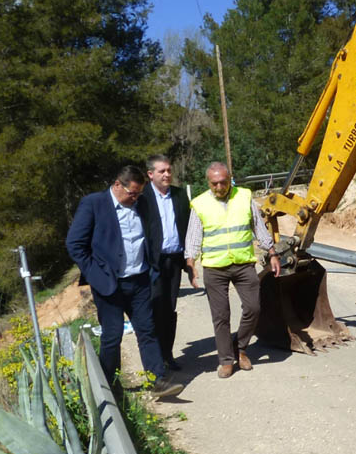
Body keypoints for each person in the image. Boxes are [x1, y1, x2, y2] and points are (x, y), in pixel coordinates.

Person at [66, 165, 183, 399]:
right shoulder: (94, 204)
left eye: (139, 194)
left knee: (147, 330)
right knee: (113, 335)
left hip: (139, 280)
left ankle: (156, 379)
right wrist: (95, 273)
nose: (135, 198)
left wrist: (153, 267)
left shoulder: (141, 204)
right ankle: (110, 386)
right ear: (117, 185)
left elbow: (151, 235)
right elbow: (75, 244)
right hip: (109, 283)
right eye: (132, 193)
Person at [185, 162, 281, 379]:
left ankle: (242, 348)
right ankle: (226, 360)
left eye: (223, 182)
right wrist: (191, 264)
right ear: (208, 182)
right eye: (214, 183)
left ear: (230, 179)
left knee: (253, 308)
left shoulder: (245, 197)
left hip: (243, 264)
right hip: (214, 267)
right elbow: (193, 238)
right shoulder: (199, 204)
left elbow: (259, 227)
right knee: (221, 316)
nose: (219, 187)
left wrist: (272, 253)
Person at [139, 154, 191, 370]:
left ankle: (167, 354)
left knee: (169, 308)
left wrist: (190, 260)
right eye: (162, 171)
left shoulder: (179, 196)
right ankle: (155, 359)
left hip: (174, 261)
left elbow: (188, 226)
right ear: (150, 174)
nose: (167, 174)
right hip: (153, 262)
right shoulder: (142, 198)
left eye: (169, 170)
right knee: (153, 308)